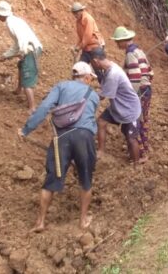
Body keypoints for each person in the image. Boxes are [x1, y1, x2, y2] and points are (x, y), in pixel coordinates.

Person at [17, 62, 100, 232]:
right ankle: (83, 220)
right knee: (86, 179)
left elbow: (44, 108)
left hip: (61, 138)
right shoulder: (93, 95)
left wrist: (26, 130)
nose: (91, 81)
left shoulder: (61, 86)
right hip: (84, 137)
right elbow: (90, 119)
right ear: (86, 77)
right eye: (91, 77)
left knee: (51, 180)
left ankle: (40, 221)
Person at [90, 48, 143, 163]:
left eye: (92, 63)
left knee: (131, 138)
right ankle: (101, 151)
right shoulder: (109, 67)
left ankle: (137, 165)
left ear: (95, 61)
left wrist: (86, 96)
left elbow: (103, 96)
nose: (92, 66)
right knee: (101, 122)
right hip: (118, 106)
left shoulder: (113, 74)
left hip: (129, 109)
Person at [111, 26, 153, 160]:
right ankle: (144, 149)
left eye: (118, 41)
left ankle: (140, 154)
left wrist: (131, 97)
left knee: (135, 121)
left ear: (124, 41)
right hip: (146, 90)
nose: (117, 44)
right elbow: (150, 72)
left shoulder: (130, 54)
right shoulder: (139, 51)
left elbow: (135, 77)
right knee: (143, 120)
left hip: (139, 92)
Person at [0, 1, 43, 111]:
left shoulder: (11, 23)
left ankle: (32, 107)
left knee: (27, 75)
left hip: (31, 50)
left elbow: (22, 38)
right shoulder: (13, 21)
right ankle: (18, 90)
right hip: (29, 49)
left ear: (2, 14)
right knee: (21, 66)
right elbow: (17, 43)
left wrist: (23, 51)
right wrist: (6, 55)